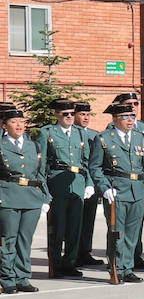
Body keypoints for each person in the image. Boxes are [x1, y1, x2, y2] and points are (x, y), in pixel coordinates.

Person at [88, 101, 144, 283]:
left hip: (137, 190)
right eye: (125, 117)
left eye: (132, 116)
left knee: (133, 234)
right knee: (117, 232)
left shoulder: (141, 137)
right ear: (115, 119)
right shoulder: (104, 139)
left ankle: (128, 267)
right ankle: (115, 267)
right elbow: (95, 168)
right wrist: (104, 188)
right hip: (116, 190)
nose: (130, 120)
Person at [36, 99, 94, 278]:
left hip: (77, 182)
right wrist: (43, 190)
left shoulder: (80, 133)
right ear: (56, 115)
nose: (69, 117)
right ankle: (56, 265)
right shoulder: (47, 133)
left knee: (75, 226)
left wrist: (89, 182)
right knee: (58, 226)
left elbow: (86, 162)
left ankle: (70, 263)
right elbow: (41, 164)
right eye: (65, 114)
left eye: (71, 113)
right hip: (57, 182)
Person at [0, 107, 50, 293]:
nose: (19, 125)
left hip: (32, 197)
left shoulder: (34, 145)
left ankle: (22, 277)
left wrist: (45, 197)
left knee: (25, 240)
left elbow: (40, 172)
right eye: (13, 122)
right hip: (7, 196)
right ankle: (7, 279)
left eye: (21, 122)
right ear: (4, 126)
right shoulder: (1, 145)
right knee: (7, 240)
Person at [72, 101, 103, 268]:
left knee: (88, 219)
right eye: (82, 114)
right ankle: (72, 253)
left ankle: (85, 252)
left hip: (91, 183)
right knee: (74, 220)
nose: (85, 117)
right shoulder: (72, 133)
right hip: (75, 182)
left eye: (87, 114)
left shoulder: (94, 135)